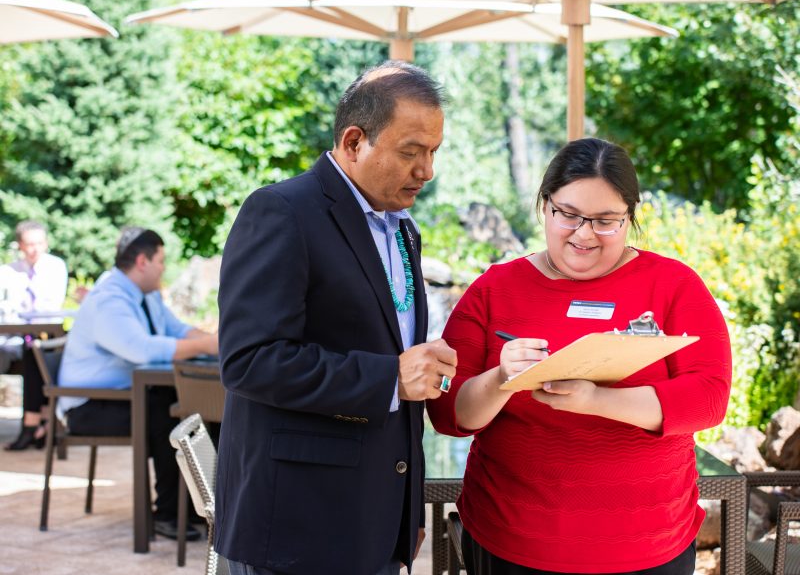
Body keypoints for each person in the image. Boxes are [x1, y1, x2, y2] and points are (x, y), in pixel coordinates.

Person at [427, 138, 732, 575]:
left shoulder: (675, 285)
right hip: (512, 540)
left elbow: (708, 398)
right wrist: (499, 379)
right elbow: (446, 412)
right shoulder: (494, 289)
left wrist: (596, 400)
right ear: (545, 205)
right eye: (568, 215)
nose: (584, 233)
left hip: (648, 547)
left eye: (606, 221)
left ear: (631, 216)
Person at [215, 61, 457, 575]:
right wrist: (390, 377)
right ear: (353, 141)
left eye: (434, 152)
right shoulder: (281, 210)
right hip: (296, 525)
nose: (427, 171)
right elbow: (249, 361)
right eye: (411, 152)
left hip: (376, 519)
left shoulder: (402, 228)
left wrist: (406, 507)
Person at [58, 227, 218, 540]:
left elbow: (178, 329)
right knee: (168, 415)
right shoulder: (109, 298)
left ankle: (196, 507)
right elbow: (139, 349)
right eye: (161, 261)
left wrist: (213, 341)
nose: (164, 268)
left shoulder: (147, 296)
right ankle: (168, 513)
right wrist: (205, 347)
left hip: (127, 396)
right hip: (88, 406)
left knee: (193, 408)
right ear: (143, 261)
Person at [2, 220, 68, 451]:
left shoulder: (55, 267)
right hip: (15, 338)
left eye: (39, 243)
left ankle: (32, 427)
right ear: (20, 245)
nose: (34, 249)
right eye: (29, 244)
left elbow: (49, 305)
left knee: (36, 351)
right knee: (32, 350)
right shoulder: (9, 272)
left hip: (47, 335)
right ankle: (39, 425)